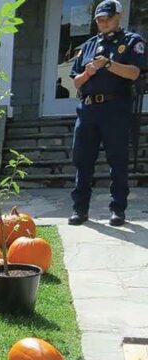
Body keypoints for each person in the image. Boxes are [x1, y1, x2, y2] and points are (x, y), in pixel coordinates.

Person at [67, 0, 145, 227]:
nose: (103, 23)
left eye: (107, 18)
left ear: (118, 16)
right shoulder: (88, 45)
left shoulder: (131, 41)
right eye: (99, 19)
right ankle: (79, 210)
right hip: (88, 108)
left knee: (117, 160)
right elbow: (76, 81)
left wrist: (108, 64)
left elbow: (133, 73)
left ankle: (117, 210)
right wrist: (88, 72)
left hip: (115, 108)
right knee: (82, 160)